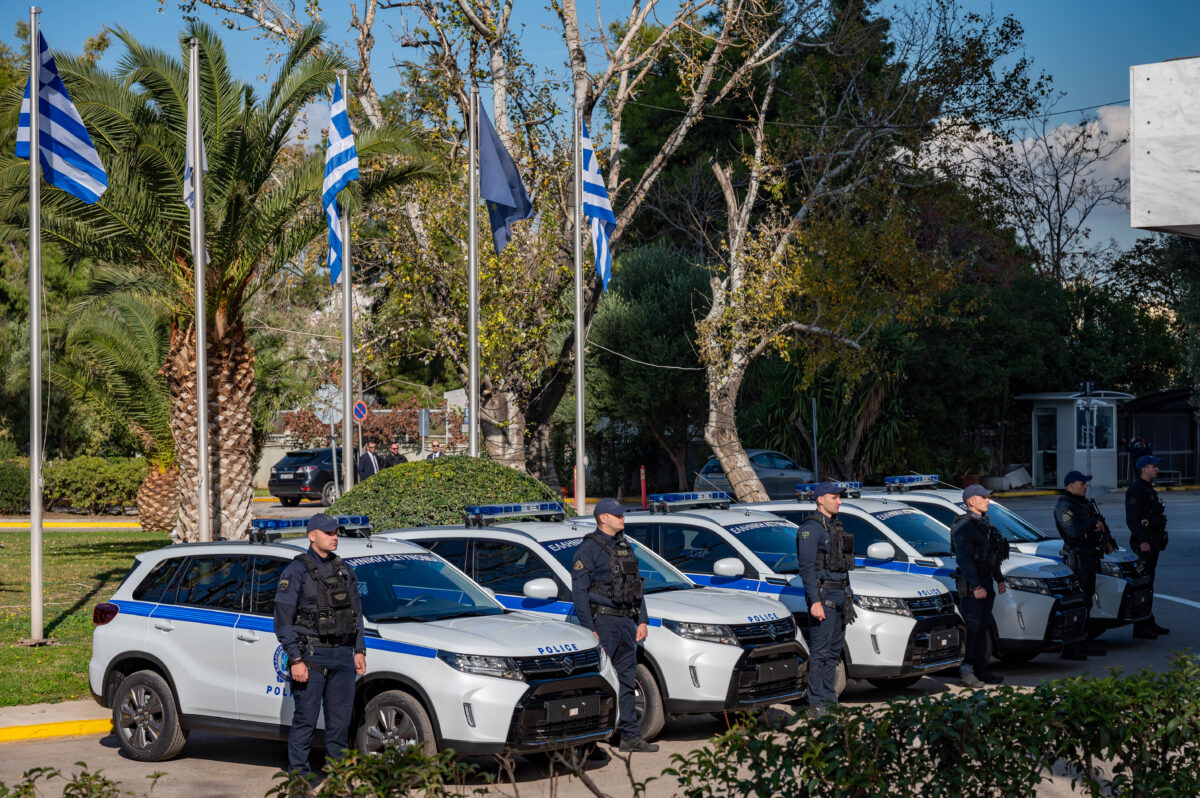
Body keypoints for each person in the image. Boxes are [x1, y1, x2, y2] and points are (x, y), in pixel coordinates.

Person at [274, 513, 367, 777]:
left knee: (340, 726)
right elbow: (282, 622)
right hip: (311, 656)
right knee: (305, 723)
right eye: (328, 533)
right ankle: (299, 783)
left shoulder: (344, 569)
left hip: (343, 655)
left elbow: (356, 612)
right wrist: (295, 659)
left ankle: (340, 780)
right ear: (312, 536)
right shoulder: (296, 571)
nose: (334, 537)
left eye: (336, 532)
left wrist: (359, 650)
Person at [571, 498, 658, 753]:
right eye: (618, 515)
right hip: (604, 622)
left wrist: (642, 618)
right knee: (598, 683)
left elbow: (635, 585)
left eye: (623, 515)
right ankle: (587, 743)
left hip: (626, 622)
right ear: (603, 519)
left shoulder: (624, 545)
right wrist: (590, 629)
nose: (623, 519)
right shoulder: (588, 549)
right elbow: (580, 593)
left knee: (627, 680)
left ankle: (629, 736)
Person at [796, 482, 856, 714]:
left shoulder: (835, 526)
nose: (839, 501)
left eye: (839, 497)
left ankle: (830, 700)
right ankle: (815, 703)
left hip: (841, 595)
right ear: (821, 499)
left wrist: (848, 595)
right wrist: (815, 602)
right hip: (824, 596)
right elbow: (807, 569)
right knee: (820, 654)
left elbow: (843, 565)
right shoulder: (810, 528)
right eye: (834, 497)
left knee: (833, 653)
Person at [950, 484, 1008, 688]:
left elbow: (992, 555)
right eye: (983, 497)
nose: (987, 500)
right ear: (970, 501)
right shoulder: (963, 526)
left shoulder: (984, 524)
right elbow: (964, 559)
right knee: (972, 630)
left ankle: (981, 671)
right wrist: (976, 586)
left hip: (986, 582)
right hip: (973, 585)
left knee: (982, 629)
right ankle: (966, 673)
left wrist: (999, 579)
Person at [1054, 471, 1114, 660]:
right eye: (1082, 483)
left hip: (1089, 555)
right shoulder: (1065, 505)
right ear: (1071, 485)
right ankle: (1071, 647)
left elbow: (1099, 521)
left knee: (1086, 600)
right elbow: (1073, 530)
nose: (1086, 486)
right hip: (1078, 557)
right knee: (1078, 602)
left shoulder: (1083, 503)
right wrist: (1091, 523)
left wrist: (1107, 539)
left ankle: (1083, 641)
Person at [1126, 455, 1170, 639]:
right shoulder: (1136, 490)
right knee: (1143, 583)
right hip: (1144, 544)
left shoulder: (1147, 489)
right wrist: (1142, 541)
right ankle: (1140, 625)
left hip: (1153, 542)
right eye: (1154, 466)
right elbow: (1132, 519)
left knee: (1149, 583)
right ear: (1144, 469)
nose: (1157, 469)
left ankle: (1147, 620)